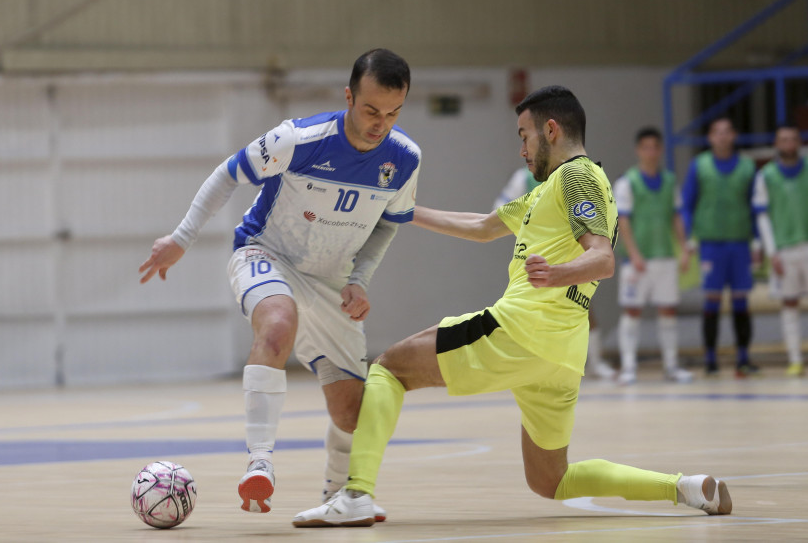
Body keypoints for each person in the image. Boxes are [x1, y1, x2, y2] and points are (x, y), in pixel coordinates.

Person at [291, 85, 732, 528]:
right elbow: (482, 227)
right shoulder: (547, 190)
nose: (521, 148)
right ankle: (686, 487)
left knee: (390, 368)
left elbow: (602, 258)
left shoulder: (578, 176)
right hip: (560, 355)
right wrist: (397, 208)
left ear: (552, 130)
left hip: (522, 328)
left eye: (524, 135)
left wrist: (555, 273)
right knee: (551, 480)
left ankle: (356, 494)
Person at [138, 49, 421, 519]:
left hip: (332, 281)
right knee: (277, 323)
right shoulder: (299, 138)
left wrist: (359, 279)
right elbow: (227, 174)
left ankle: (339, 497)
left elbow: (388, 224)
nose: (380, 123)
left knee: (354, 413)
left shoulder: (404, 158)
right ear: (349, 96)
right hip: (266, 254)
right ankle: (261, 462)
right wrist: (181, 237)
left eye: (393, 112)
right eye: (371, 110)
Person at [495, 169, 615, 380]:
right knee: (530, 313)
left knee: (583, 307)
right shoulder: (523, 178)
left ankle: (594, 363)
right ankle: (534, 365)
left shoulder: (571, 177)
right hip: (538, 258)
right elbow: (498, 211)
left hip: (570, 254)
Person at [751, 125, 808, 376]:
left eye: (792, 138)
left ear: (799, 141)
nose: (788, 143)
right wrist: (771, 251)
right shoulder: (765, 175)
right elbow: (762, 217)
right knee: (789, 302)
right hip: (783, 249)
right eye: (783, 139)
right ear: (776, 144)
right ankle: (795, 359)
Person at [614, 127, 693, 385]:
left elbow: (676, 217)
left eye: (654, 147)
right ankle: (628, 368)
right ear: (638, 150)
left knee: (668, 311)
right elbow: (622, 222)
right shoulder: (627, 182)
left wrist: (683, 249)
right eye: (645, 147)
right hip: (637, 261)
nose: (650, 152)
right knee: (632, 311)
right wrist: (634, 254)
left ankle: (671, 367)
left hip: (665, 257)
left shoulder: (670, 181)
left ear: (660, 150)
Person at [682, 117, 759, 377]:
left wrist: (757, 240)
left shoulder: (748, 167)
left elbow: (755, 206)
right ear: (710, 137)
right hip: (711, 244)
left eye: (727, 132)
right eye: (717, 132)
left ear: (734, 135)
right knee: (712, 301)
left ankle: (743, 358)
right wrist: (691, 238)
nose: (723, 137)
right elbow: (688, 205)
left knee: (741, 301)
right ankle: (711, 359)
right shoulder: (699, 166)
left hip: (739, 243)